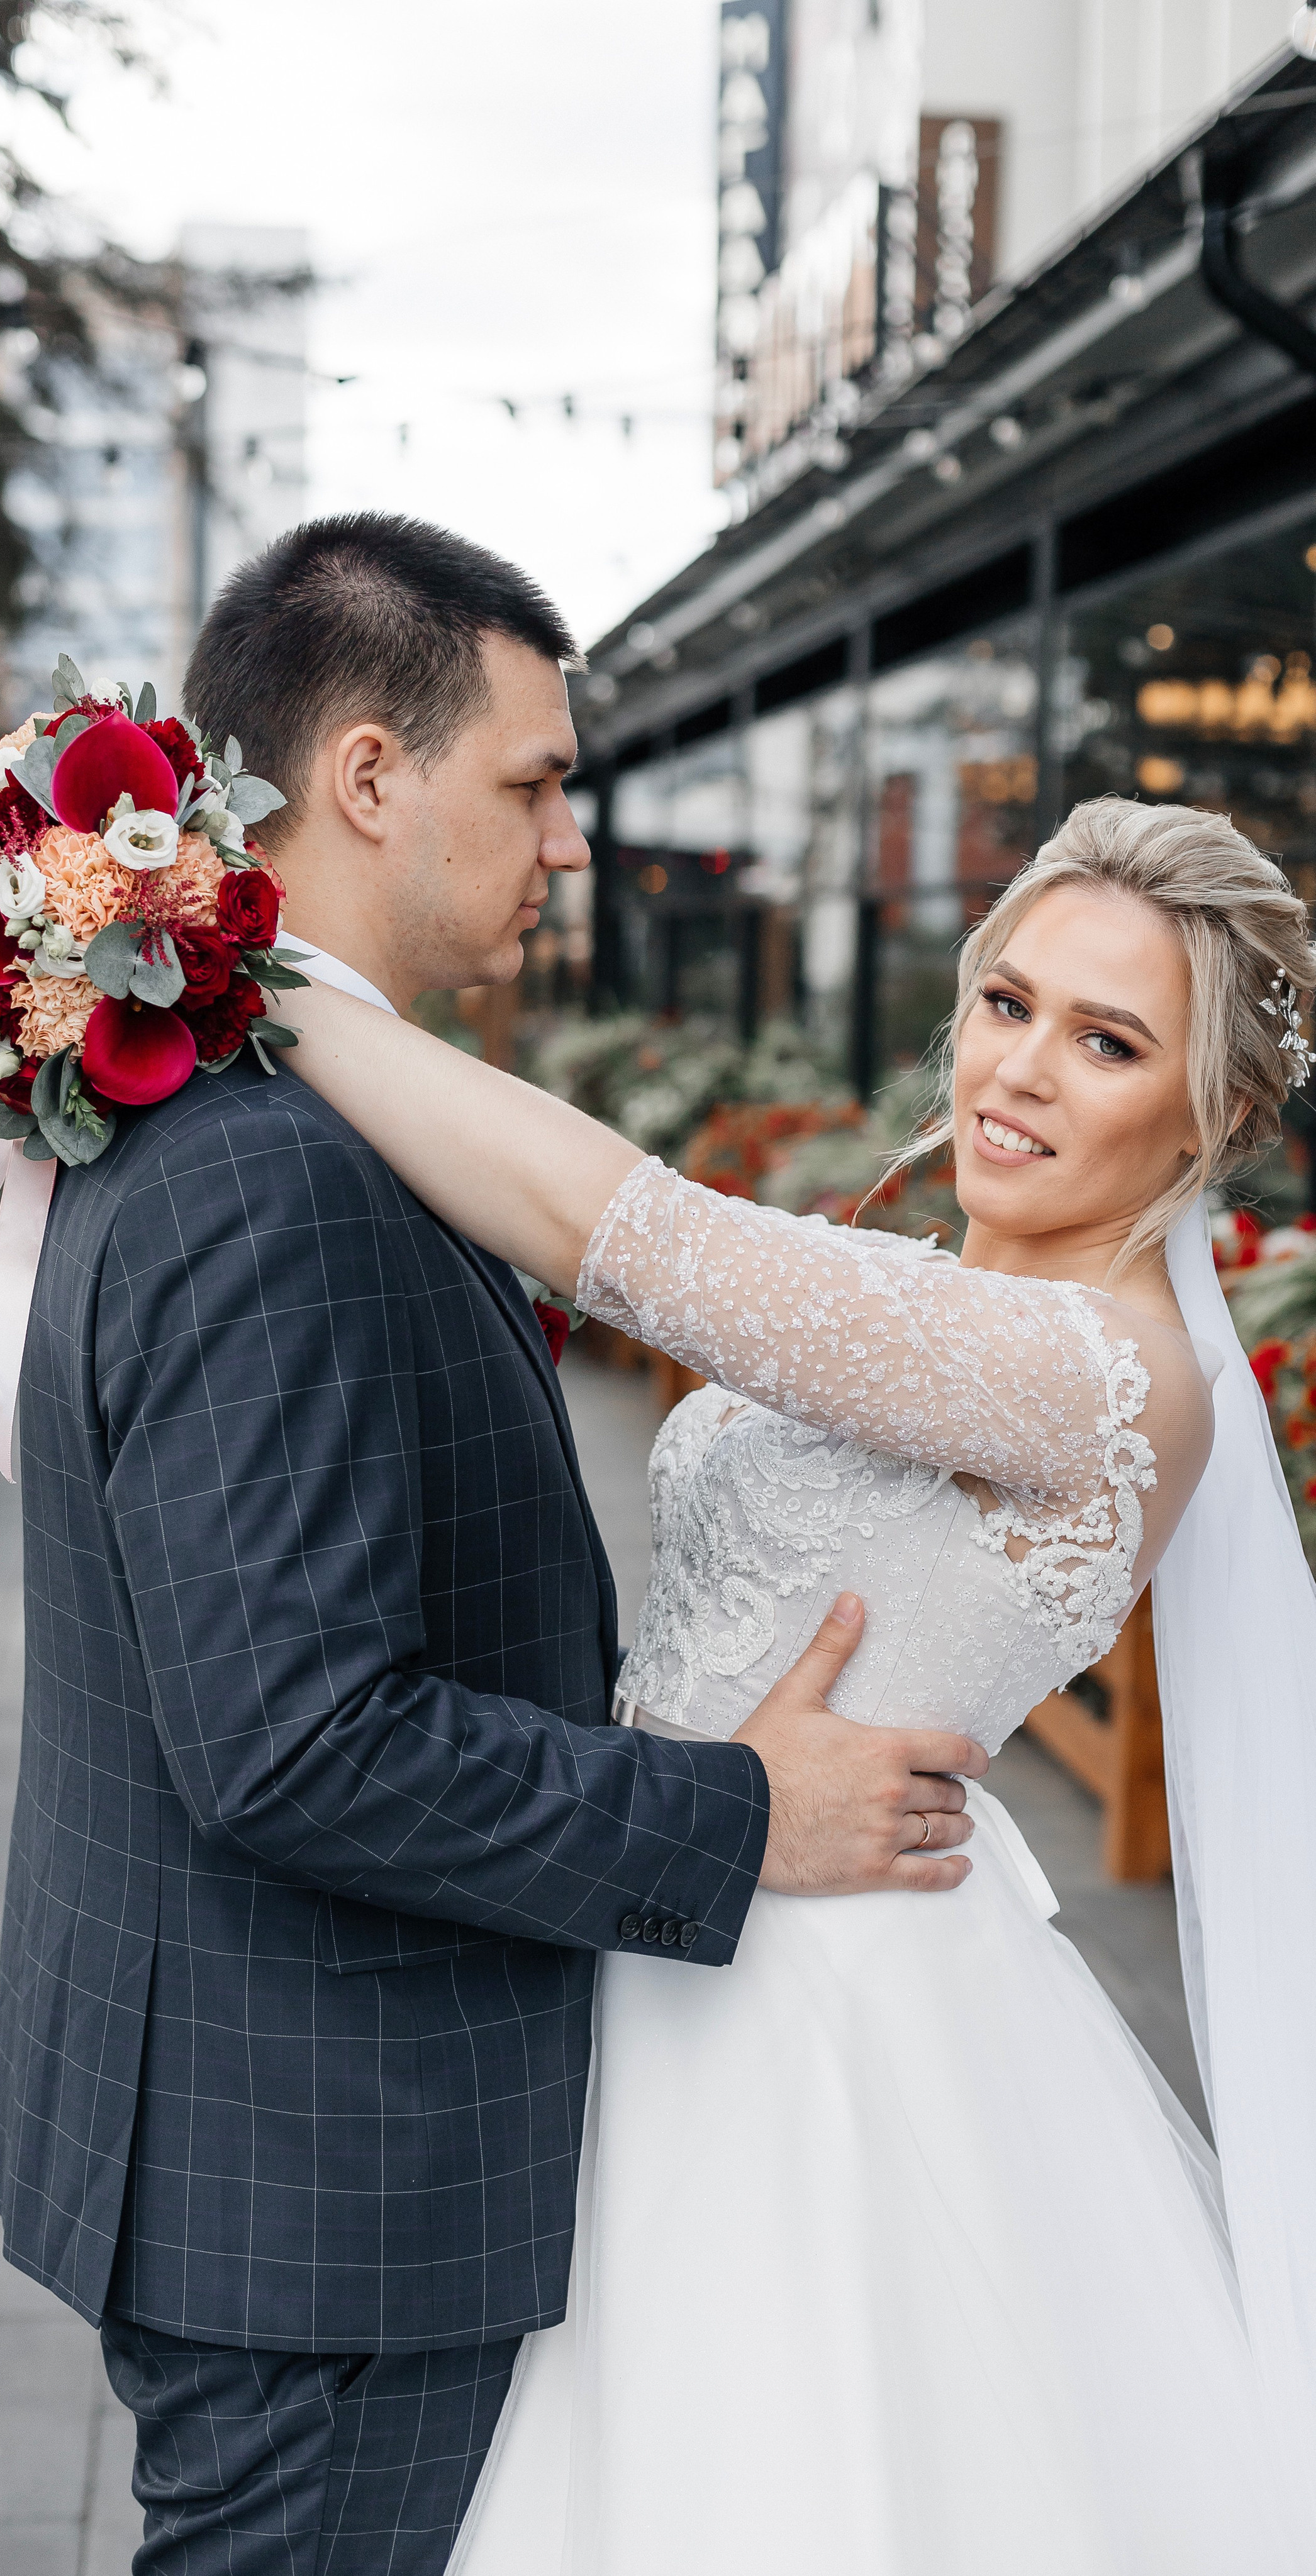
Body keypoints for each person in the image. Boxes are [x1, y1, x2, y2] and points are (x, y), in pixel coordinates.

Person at [0, 516, 984, 2576]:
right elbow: (296, 1741)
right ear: (368, 772)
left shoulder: (251, 1097)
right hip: (321, 2184)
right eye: (535, 782)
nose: (571, 843)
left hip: (255, 2124)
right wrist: (736, 1815)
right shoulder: (270, 1172)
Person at [282, 792, 1316, 2569]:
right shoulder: (914, 1291)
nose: (1020, 1072)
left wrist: (250, 971)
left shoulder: (1117, 1383)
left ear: (1214, 1113)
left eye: (1108, 1040)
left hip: (824, 2010)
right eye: (1007, 1003)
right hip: (657, 1903)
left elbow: (629, 1234)